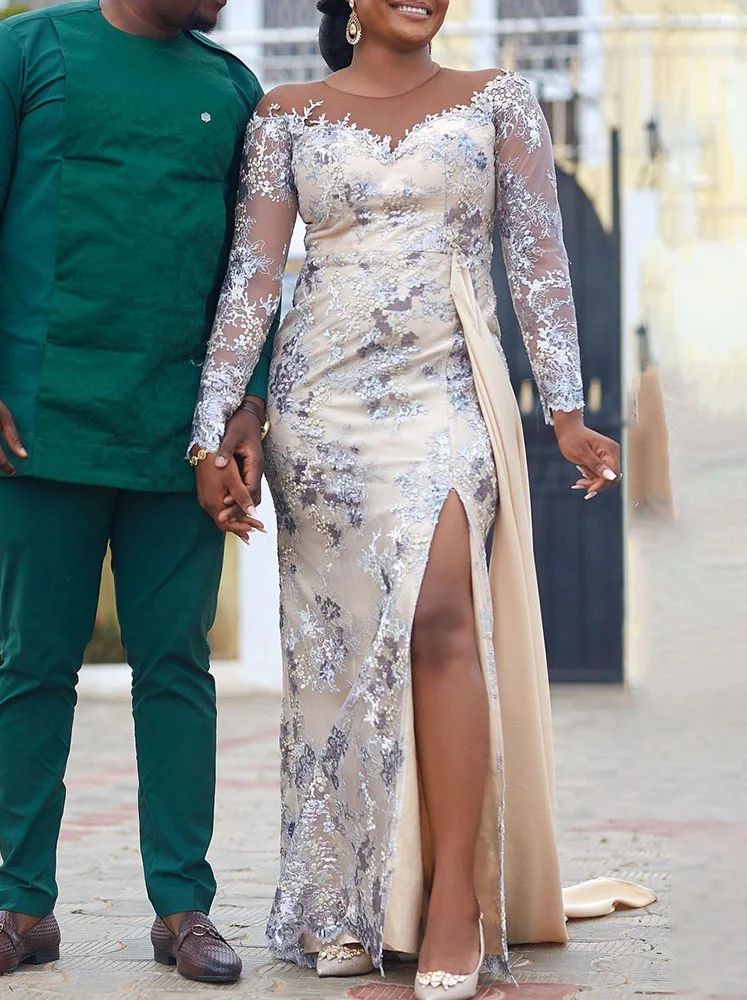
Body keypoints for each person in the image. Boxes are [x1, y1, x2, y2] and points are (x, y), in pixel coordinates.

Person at [191, 0, 655, 997]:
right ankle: (349, 900)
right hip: (318, 409)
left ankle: (455, 901)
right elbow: (253, 279)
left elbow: (537, 258)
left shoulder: (499, 101)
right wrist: (212, 423)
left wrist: (565, 410)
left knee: (443, 615)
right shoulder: (285, 114)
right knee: (343, 654)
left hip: (445, 395)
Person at [0, 0, 279, 983]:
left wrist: (248, 402)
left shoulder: (231, 89)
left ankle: (183, 907)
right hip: (41, 425)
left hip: (181, 437)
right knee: (31, 665)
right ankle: (19, 903)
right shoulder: (29, 51)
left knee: (176, 669)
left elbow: (252, 267)